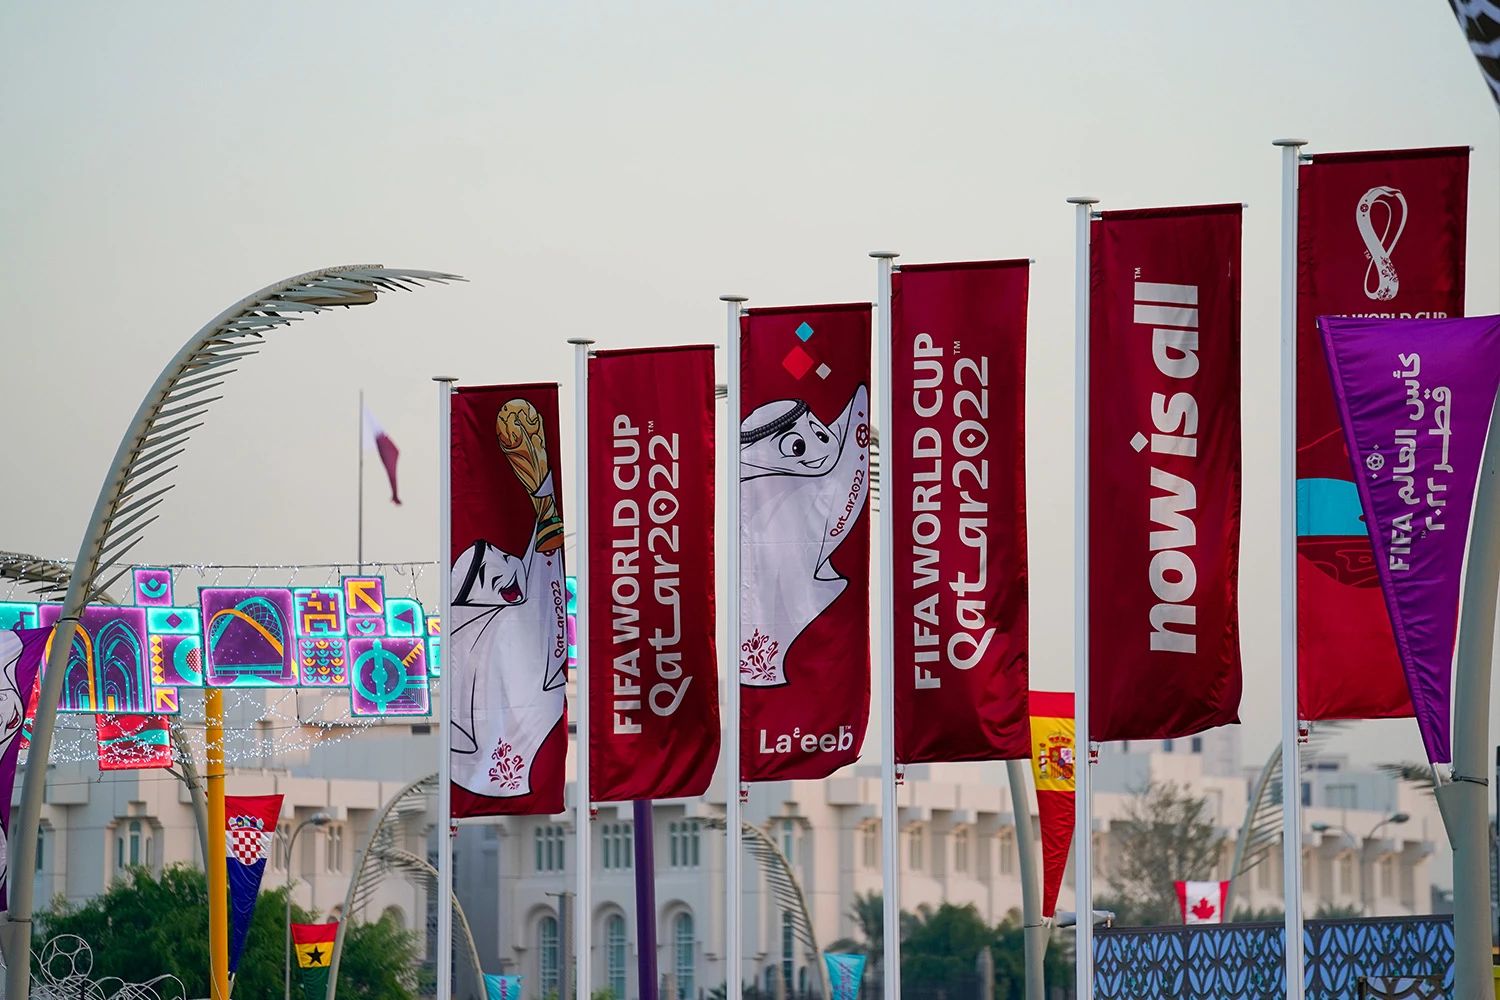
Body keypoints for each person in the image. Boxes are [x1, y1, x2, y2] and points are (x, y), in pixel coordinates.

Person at [739, 384, 869, 687]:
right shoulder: (763, 499)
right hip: (765, 632)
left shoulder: (812, 491)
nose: (820, 450)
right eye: (797, 446)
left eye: (820, 434)